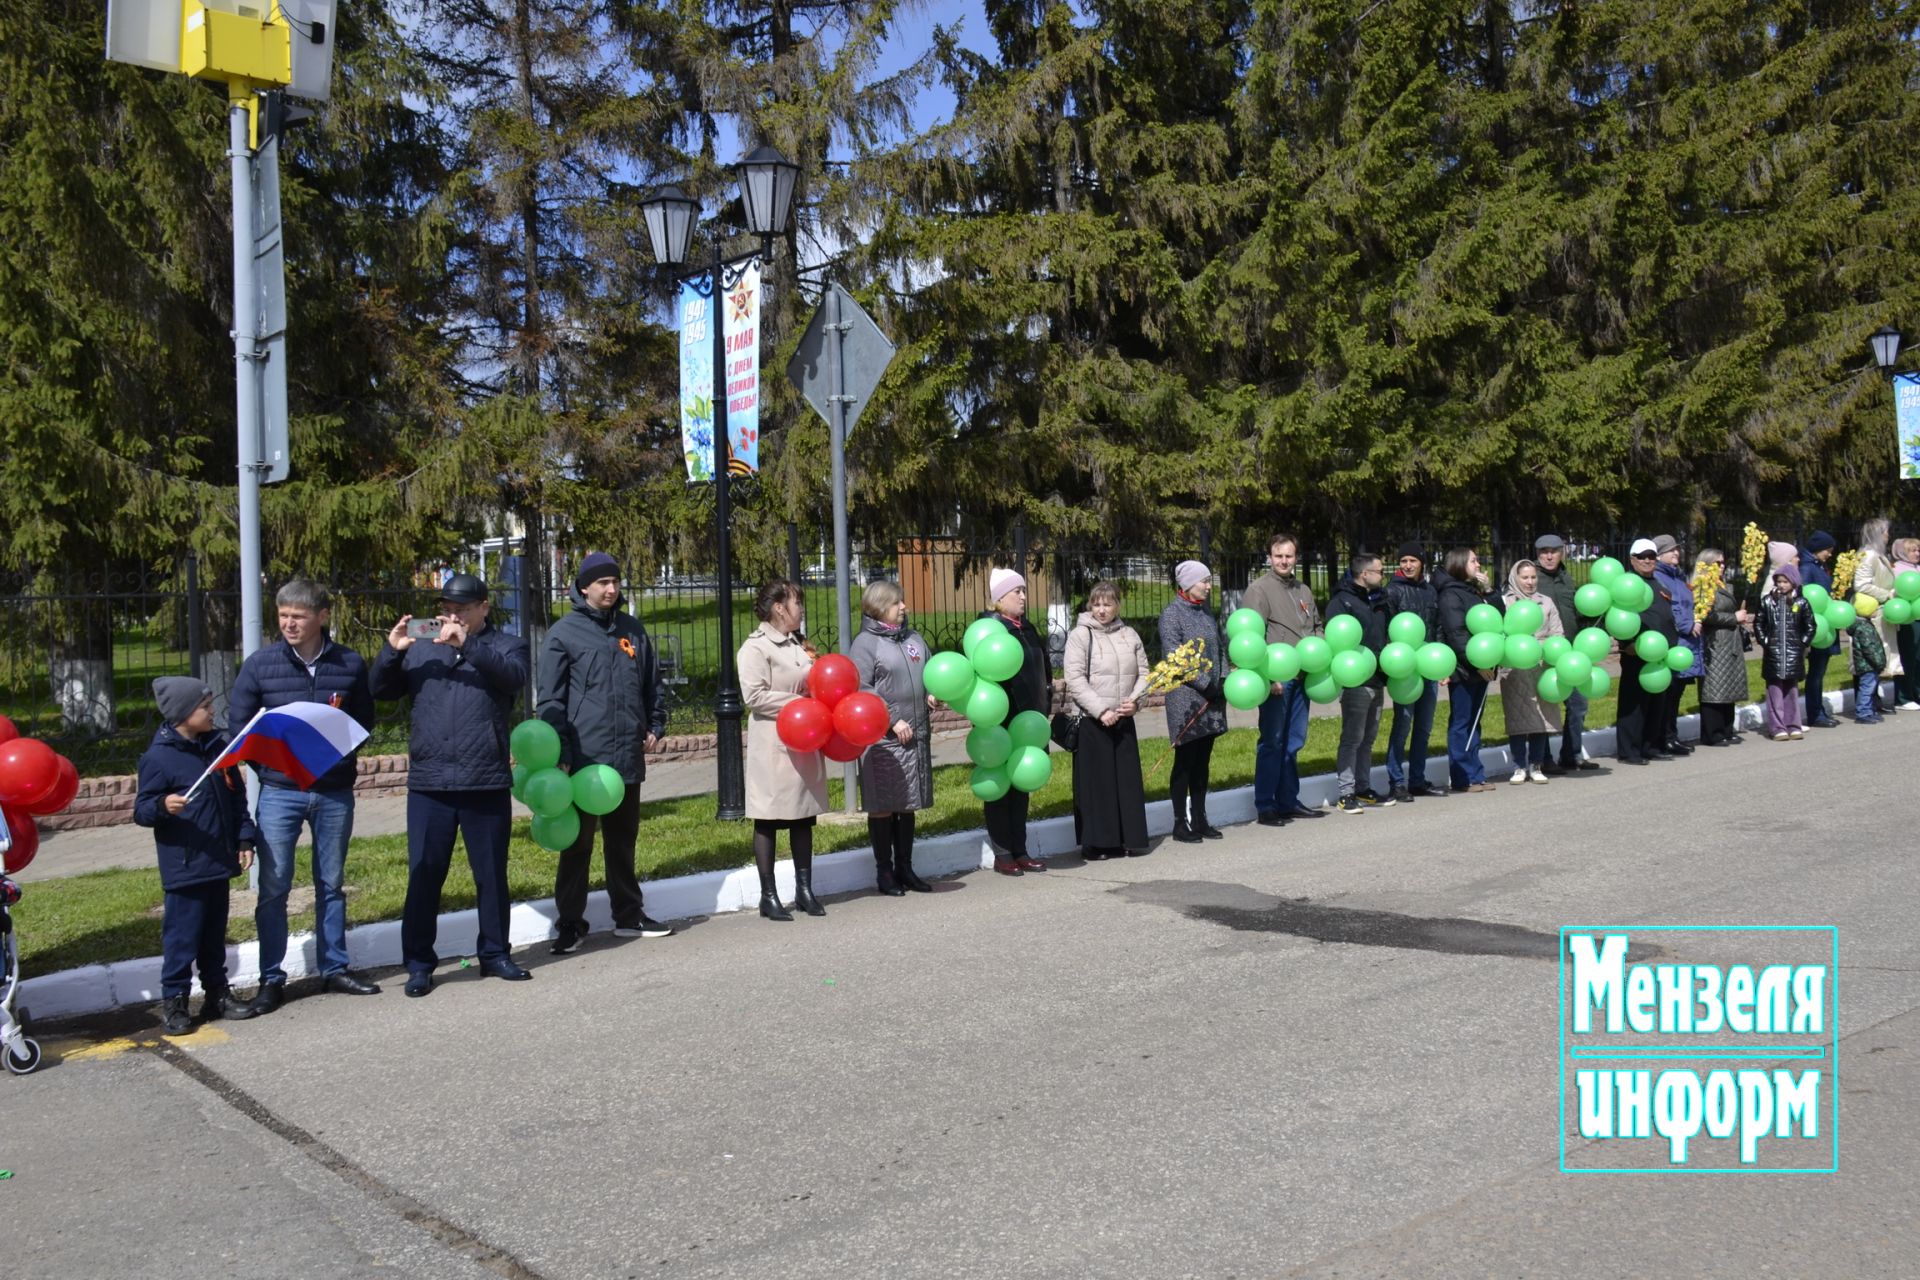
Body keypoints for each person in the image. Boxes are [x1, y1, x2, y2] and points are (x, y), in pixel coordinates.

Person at [371, 574, 532, 998]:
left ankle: (495, 954)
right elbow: (380, 691)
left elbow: (513, 678)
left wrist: (468, 645)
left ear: (483, 608)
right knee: (425, 876)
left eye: (461, 608)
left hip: (485, 781)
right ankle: (420, 964)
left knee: (491, 875)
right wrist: (392, 651)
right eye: (447, 608)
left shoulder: (506, 646)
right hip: (430, 782)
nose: (452, 615)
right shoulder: (421, 647)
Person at [228, 578, 379, 1010]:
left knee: (331, 883)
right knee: (274, 887)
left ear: (322, 617)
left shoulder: (349, 664)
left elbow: (361, 724)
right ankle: (271, 978)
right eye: (283, 616)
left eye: (298, 616)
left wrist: (336, 760)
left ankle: (334, 968)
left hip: (333, 793)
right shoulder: (260, 665)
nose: (289, 624)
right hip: (279, 794)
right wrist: (272, 768)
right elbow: (242, 730)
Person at [538, 553, 674, 953]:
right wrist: (561, 749)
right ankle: (570, 923)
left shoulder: (632, 629)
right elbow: (550, 699)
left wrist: (655, 724)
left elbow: (653, 683)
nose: (611, 589)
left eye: (615, 582)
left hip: (626, 756)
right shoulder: (564, 634)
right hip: (583, 760)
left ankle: (629, 916)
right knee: (577, 845)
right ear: (583, 587)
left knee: (622, 841)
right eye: (602, 583)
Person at [135, 678, 259, 1035]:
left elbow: (236, 799)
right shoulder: (158, 758)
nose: (212, 711)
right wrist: (163, 805)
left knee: (213, 936)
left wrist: (244, 839)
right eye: (205, 706)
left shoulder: (218, 750)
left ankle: (217, 995)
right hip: (185, 866)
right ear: (182, 714)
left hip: (217, 861)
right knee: (182, 939)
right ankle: (175, 1001)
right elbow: (142, 810)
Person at [738, 578, 832, 918]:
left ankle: (804, 889)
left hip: (805, 741)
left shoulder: (798, 643)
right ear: (779, 608)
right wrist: (798, 703)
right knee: (768, 818)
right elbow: (754, 696)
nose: (801, 608)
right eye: (796, 602)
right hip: (774, 743)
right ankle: (768, 895)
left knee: (802, 816)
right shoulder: (755, 648)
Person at [847, 580, 935, 895]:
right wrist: (891, 718)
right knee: (884, 804)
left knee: (907, 804)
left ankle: (906, 869)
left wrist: (931, 691)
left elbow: (929, 669)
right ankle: (884, 873)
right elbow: (862, 688)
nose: (904, 607)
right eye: (898, 603)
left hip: (914, 733)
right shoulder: (865, 643)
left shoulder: (912, 637)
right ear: (881, 606)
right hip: (883, 739)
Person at [1064, 581, 1151, 856]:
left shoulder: (1129, 634)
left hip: (1124, 718)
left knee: (1126, 783)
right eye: (1097, 604)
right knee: (1097, 785)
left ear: (1117, 606)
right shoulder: (1080, 635)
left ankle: (1129, 838)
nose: (1102, 610)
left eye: (1108, 604)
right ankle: (1099, 843)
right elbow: (1074, 678)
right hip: (1094, 720)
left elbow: (1145, 673)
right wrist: (1101, 710)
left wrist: (1135, 701)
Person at [1245, 533, 1323, 825]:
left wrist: (1318, 651)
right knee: (1273, 742)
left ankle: (1288, 801)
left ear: (1296, 558)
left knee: (1294, 741)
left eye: (1289, 556)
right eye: (1278, 556)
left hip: (1304, 675)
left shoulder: (1303, 589)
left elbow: (1316, 626)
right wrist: (1268, 677)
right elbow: (1252, 638)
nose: (1283, 561)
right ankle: (1265, 805)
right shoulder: (1259, 590)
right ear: (1269, 557)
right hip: (1277, 679)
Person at [978, 568, 1051, 875]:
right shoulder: (989, 629)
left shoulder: (1027, 628)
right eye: (1016, 591)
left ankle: (1020, 850)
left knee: (1021, 785)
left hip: (1028, 720)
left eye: (1024, 590)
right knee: (1000, 788)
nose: (1023, 596)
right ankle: (1003, 853)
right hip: (1000, 721)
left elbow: (1042, 668)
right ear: (999, 599)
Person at [1158, 561, 1228, 842]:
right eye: (1204, 581)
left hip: (1211, 696)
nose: (1209, 586)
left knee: (1203, 761)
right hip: (1186, 699)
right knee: (1185, 760)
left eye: (1209, 581)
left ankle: (1200, 818)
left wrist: (1222, 680)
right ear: (1187, 584)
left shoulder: (1205, 613)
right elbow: (1175, 658)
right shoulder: (1170, 615)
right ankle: (1179, 823)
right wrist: (1204, 684)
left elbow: (1219, 648)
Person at [1326, 551, 1392, 812]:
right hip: (1355, 679)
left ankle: (1363, 788)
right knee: (1352, 738)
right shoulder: (1342, 602)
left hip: (1377, 677)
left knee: (1368, 738)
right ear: (1365, 574)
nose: (1383, 576)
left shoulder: (1379, 600)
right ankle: (1346, 793)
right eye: (1380, 571)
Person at [1435, 547, 1502, 793]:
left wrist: (1489, 590)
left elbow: (1497, 618)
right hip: (1464, 669)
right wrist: (1478, 664)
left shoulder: (1472, 590)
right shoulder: (1451, 594)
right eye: (1473, 560)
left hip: (1481, 667)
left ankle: (1476, 773)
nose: (1478, 564)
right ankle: (1463, 776)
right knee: (1462, 722)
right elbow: (1457, 634)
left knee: (1475, 722)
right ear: (1460, 563)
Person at [1383, 543, 1443, 800]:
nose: (1408, 565)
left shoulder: (1431, 591)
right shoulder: (1392, 591)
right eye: (1404, 560)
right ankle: (1396, 782)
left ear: (1422, 563)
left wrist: (1441, 664)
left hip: (1428, 667)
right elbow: (1387, 630)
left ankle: (1417, 779)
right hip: (1405, 671)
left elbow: (1437, 627)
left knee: (1424, 727)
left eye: (1413, 561)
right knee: (1402, 725)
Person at [1530, 535, 1595, 773]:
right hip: (1543, 653)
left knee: (1578, 704)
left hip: (1571, 652)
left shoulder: (1567, 579)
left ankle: (1572, 753)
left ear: (1562, 552)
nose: (1548, 556)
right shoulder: (1532, 579)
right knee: (1545, 706)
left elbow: (1577, 612)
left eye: (1553, 551)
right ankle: (1544, 758)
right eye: (1543, 552)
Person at [1613, 539, 1678, 766]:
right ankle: (1629, 751)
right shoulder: (1628, 584)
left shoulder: (1659, 585)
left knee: (1657, 702)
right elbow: (1617, 616)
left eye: (1651, 556)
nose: (1648, 560)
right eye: (1642, 556)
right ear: (1632, 560)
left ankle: (1651, 746)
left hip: (1660, 656)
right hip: (1636, 653)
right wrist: (1626, 642)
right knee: (1634, 704)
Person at [1500, 558, 1564, 785]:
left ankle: (1536, 764)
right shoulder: (1506, 602)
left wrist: (1548, 650)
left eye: (1533, 577)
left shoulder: (1545, 602)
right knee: (1518, 718)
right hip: (1515, 669)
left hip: (1541, 666)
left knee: (1540, 719)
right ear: (1515, 578)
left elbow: (1558, 633)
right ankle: (1519, 766)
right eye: (1524, 577)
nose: (1529, 582)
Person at [1692, 549, 1751, 747]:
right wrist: (1733, 618)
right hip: (1715, 642)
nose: (1722, 566)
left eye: (1723, 562)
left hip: (1730, 641)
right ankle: (1712, 732)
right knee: (1714, 686)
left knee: (1729, 684)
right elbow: (1705, 615)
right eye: (1717, 563)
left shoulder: (1722, 584)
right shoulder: (1702, 586)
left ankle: (1727, 728)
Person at [1753, 562, 1815, 740]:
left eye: (1785, 582)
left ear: (1793, 583)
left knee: (1791, 690)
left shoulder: (1801, 602)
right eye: (1779, 581)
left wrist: (1801, 644)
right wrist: (1766, 642)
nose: (1781, 585)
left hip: (1793, 654)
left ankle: (1793, 725)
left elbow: (1810, 626)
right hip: (1774, 655)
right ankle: (1777, 727)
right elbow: (1759, 623)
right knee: (1775, 691)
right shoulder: (1768, 602)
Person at [1652, 534, 1700, 755]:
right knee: (1668, 692)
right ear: (1660, 555)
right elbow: (1670, 607)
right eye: (1671, 550)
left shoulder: (1678, 576)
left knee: (1676, 692)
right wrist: (1687, 624)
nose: (1676, 553)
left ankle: (1671, 735)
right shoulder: (1660, 577)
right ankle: (1664, 737)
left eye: (1677, 549)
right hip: (1674, 640)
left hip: (1686, 642)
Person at [1851, 518, 1902, 717]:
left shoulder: (1878, 555)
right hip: (1873, 613)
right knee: (1872, 660)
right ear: (1878, 534)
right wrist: (1887, 595)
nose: (1888, 535)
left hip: (1882, 612)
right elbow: (1861, 585)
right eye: (1886, 532)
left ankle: (1873, 700)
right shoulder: (1869, 556)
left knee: (1878, 659)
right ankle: (1867, 704)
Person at [1798, 531, 1840, 728]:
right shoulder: (1807, 568)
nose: (1830, 554)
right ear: (1818, 549)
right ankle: (1815, 713)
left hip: (1823, 626)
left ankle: (1818, 710)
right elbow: (1805, 595)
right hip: (1816, 627)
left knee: (1819, 672)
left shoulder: (1817, 566)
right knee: (1815, 673)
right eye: (1828, 550)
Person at [1843, 587, 1888, 724]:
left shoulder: (1864, 624)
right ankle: (1863, 713)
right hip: (1867, 664)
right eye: (1875, 609)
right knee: (1867, 689)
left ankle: (1869, 711)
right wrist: (1879, 662)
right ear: (1866, 610)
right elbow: (1869, 648)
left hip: (1867, 664)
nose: (1877, 611)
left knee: (1869, 688)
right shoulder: (1864, 627)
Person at [1892, 536, 1920, 709]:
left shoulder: (1918, 568)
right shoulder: (1897, 569)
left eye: (1918, 550)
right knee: (1908, 658)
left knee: (1918, 659)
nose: (1917, 553)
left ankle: (1916, 692)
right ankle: (1903, 696)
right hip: (1907, 619)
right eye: (1912, 550)